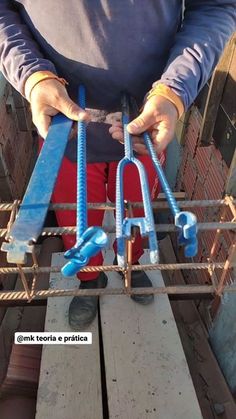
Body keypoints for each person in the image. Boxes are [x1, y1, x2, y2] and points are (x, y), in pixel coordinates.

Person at [0, 1, 235, 329]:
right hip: (64, 135)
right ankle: (90, 278)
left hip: (145, 126)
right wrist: (31, 74)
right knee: (75, 221)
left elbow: (216, 5)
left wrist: (174, 90)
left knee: (139, 214)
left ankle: (132, 266)